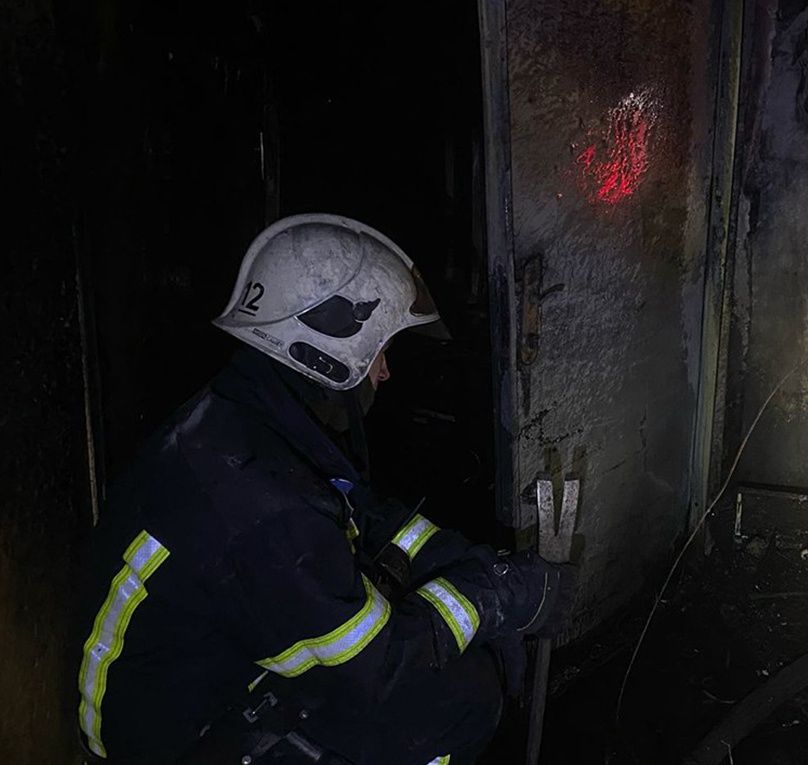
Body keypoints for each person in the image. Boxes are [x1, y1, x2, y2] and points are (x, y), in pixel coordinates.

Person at [74, 214, 574, 764]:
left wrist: (479, 565)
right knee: (453, 703)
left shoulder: (254, 419)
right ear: (326, 354)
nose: (385, 372)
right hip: (178, 742)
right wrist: (495, 598)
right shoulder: (257, 503)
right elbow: (379, 667)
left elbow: (368, 518)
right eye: (380, 351)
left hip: (208, 682)